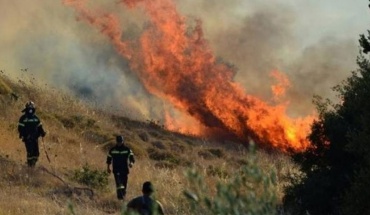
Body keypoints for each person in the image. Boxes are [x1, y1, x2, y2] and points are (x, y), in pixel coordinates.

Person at [18, 101, 46, 167]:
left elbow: (40, 127)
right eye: (29, 108)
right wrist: (24, 135)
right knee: (30, 152)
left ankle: (33, 164)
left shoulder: (36, 118)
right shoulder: (23, 118)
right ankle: (29, 165)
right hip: (27, 138)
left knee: (36, 153)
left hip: (35, 138)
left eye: (31, 108)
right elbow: (20, 129)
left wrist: (42, 132)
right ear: (26, 108)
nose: (30, 109)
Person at [107, 135, 135, 200]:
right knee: (118, 183)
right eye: (118, 142)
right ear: (116, 142)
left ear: (122, 141)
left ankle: (123, 195)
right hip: (116, 170)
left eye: (121, 142)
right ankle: (120, 197)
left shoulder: (127, 149)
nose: (119, 143)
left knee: (124, 184)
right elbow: (109, 159)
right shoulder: (113, 150)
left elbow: (132, 158)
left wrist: (131, 163)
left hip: (124, 170)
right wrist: (108, 168)